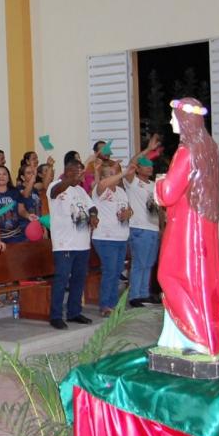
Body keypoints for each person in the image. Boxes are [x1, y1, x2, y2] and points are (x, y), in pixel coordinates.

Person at [155, 98, 219, 355]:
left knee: (171, 276)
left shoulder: (187, 151)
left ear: (185, 120)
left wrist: (159, 183)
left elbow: (168, 193)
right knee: (203, 279)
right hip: (204, 223)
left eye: (174, 117)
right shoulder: (210, 149)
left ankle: (196, 334)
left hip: (185, 226)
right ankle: (198, 336)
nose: (170, 121)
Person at [47, 158, 96, 330]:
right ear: (68, 171)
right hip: (64, 244)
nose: (81, 175)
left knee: (78, 279)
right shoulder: (56, 186)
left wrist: (94, 216)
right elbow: (54, 194)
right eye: (78, 172)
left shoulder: (81, 191)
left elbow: (92, 207)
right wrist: (70, 179)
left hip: (83, 243)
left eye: (82, 172)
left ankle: (74, 312)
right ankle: (55, 316)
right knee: (61, 280)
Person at [91, 160, 135, 317]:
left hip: (121, 237)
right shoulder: (100, 189)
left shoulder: (121, 192)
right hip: (104, 237)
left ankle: (113, 303)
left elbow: (130, 210)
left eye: (114, 173)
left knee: (116, 271)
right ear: (103, 177)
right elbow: (103, 183)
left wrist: (127, 214)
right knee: (109, 270)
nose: (114, 176)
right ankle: (105, 305)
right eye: (110, 174)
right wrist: (123, 173)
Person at [125, 138, 163, 308]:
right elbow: (131, 163)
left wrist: (161, 227)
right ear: (138, 169)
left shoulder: (154, 185)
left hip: (153, 228)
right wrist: (147, 149)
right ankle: (135, 295)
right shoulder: (133, 182)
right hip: (139, 228)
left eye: (151, 165)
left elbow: (159, 209)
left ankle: (144, 293)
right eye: (146, 165)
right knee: (139, 263)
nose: (150, 167)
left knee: (149, 263)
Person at [0, 166, 24, 243]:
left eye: (4, 174)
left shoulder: (15, 192)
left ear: (8, 178)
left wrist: (28, 216)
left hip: (16, 236)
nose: (1, 176)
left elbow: (21, 210)